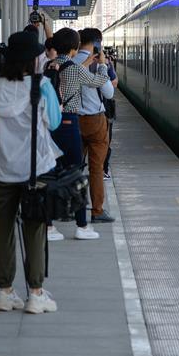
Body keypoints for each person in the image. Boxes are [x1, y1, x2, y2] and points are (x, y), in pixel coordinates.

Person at [0, 31, 62, 314]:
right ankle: (35, 293)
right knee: (35, 231)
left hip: (3, 169)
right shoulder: (42, 86)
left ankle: (5, 293)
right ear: (32, 59)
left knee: (2, 231)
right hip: (36, 171)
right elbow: (53, 123)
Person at [44, 27, 109, 241]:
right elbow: (98, 83)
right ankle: (82, 225)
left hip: (51, 124)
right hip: (70, 122)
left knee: (51, 173)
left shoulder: (50, 65)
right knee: (75, 173)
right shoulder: (75, 68)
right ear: (74, 48)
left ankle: (49, 226)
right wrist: (101, 66)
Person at [74, 28, 116, 223]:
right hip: (95, 121)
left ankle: (71, 208)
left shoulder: (71, 62)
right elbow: (109, 93)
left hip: (73, 120)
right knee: (96, 168)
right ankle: (97, 210)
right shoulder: (96, 64)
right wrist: (103, 65)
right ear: (97, 43)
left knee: (73, 167)